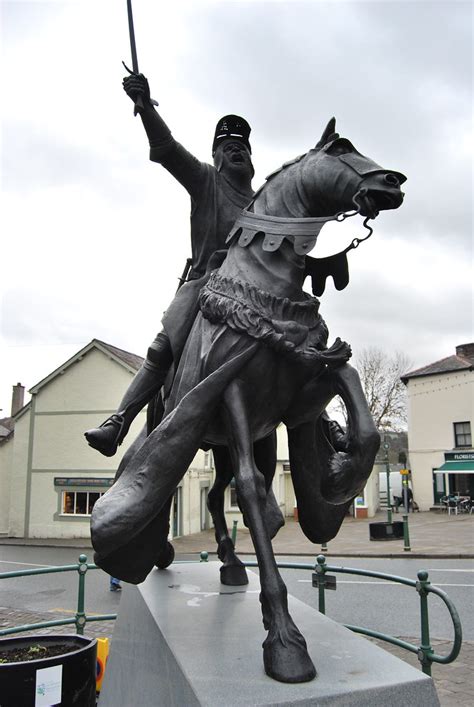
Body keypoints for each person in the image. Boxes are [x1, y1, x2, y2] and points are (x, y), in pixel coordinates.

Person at [85, 73, 255, 457]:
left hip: (255, 294)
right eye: (227, 146)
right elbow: (165, 147)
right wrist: (145, 107)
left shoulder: (264, 204)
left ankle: (324, 424)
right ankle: (119, 422)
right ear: (215, 156)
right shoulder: (205, 180)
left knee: (301, 342)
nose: (236, 151)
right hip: (206, 287)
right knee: (163, 348)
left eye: (242, 146)